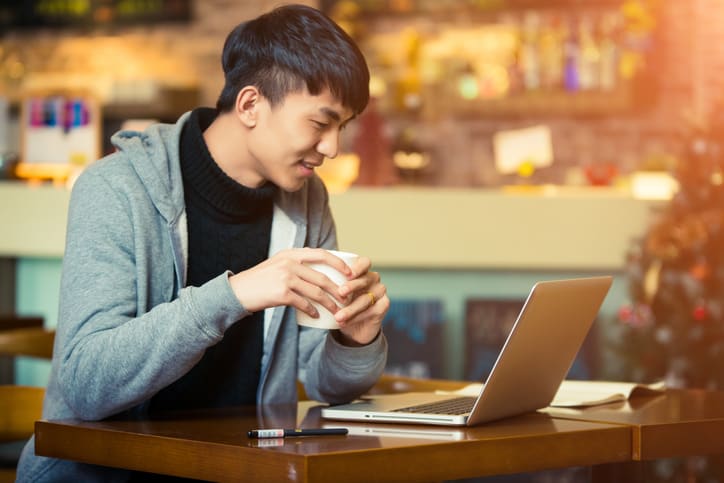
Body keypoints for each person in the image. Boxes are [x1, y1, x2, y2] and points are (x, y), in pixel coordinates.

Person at [17, 4, 389, 481]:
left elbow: (325, 384)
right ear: (251, 104)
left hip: (243, 471)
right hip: (110, 473)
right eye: (320, 124)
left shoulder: (307, 202)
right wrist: (232, 296)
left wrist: (354, 338)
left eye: (344, 127)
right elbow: (88, 385)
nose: (334, 148)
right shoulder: (115, 188)